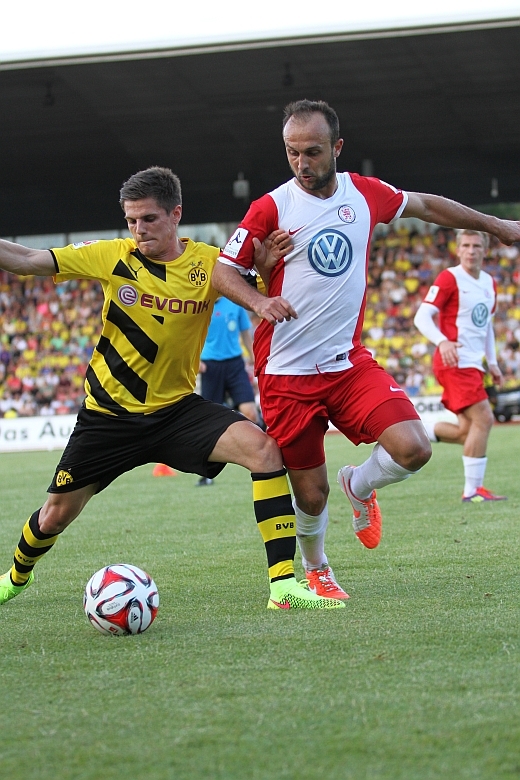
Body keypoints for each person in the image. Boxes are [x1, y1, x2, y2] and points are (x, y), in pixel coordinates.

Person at [211, 99, 520, 599]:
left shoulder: (365, 194)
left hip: (347, 364)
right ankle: (317, 567)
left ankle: (359, 485)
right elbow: (223, 270)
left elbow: (427, 206)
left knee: (415, 448)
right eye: (292, 153)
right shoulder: (271, 207)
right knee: (311, 494)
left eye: (312, 152)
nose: (301, 163)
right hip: (286, 373)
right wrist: (260, 300)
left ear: (337, 147)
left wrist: (496, 224)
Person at [0, 166, 344, 611]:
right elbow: (27, 260)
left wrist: (264, 268)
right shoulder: (112, 256)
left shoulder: (210, 264)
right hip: (108, 417)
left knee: (264, 451)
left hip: (176, 412)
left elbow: (265, 285)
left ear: (175, 214)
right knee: (54, 517)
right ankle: (15, 576)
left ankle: (283, 587)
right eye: (131, 220)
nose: (138, 229)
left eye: (148, 219)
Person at [414, 229, 506, 502]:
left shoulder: (489, 283)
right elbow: (422, 317)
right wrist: (442, 341)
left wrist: (493, 362)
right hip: (454, 362)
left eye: (476, 246)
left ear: (485, 250)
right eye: (465, 245)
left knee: (468, 431)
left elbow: (486, 326)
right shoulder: (450, 278)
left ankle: (419, 429)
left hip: (473, 365)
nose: (470, 251)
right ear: (457, 249)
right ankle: (473, 491)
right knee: (484, 418)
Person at [196, 297, 259, 486]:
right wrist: (195, 361)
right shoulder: (200, 302)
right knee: (208, 422)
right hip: (210, 366)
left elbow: (245, 333)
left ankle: (260, 459)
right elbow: (190, 334)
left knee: (251, 413)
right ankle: (207, 473)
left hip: (235, 365)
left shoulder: (235, 303)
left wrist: (254, 357)